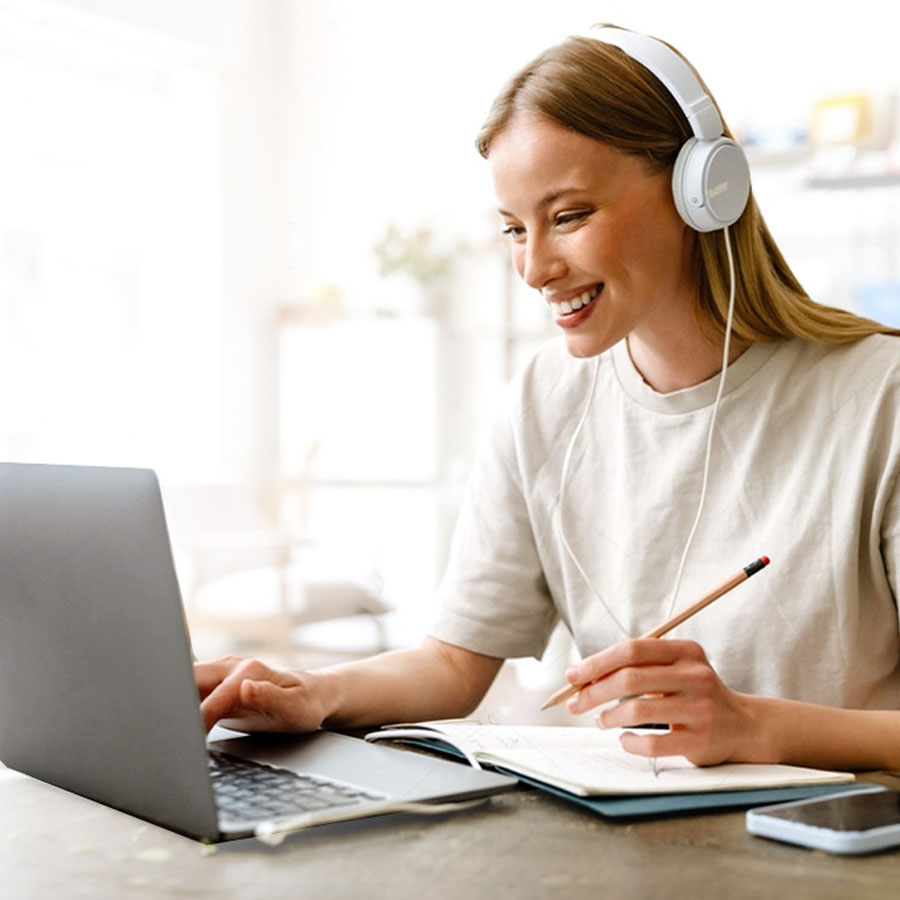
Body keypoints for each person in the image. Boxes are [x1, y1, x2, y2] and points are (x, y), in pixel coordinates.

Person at [195, 25, 900, 771]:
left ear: (703, 193)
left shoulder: (878, 396)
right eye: (512, 229)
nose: (533, 269)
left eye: (568, 216)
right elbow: (453, 665)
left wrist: (758, 727)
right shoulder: (541, 398)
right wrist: (315, 691)